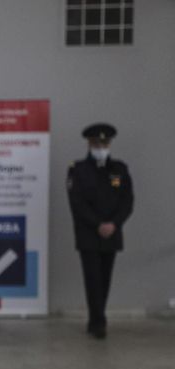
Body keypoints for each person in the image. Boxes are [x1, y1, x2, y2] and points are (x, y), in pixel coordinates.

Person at [67, 123, 134, 339]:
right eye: (97, 143)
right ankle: (97, 321)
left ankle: (98, 317)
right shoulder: (77, 170)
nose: (101, 146)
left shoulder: (119, 169)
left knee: (105, 279)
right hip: (89, 234)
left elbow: (127, 201)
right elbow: (77, 203)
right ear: (89, 144)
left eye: (105, 143)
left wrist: (114, 223)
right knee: (93, 278)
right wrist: (98, 224)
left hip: (112, 233)